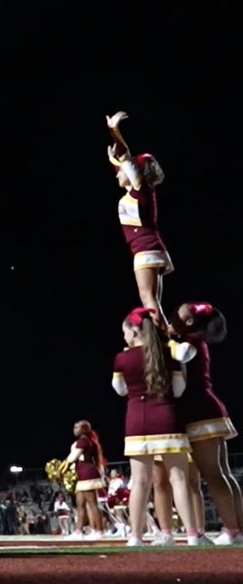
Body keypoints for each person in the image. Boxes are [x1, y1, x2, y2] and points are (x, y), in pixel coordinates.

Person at [113, 307, 198, 546]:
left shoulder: (121, 358)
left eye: (125, 332)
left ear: (134, 330)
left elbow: (120, 391)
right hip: (167, 418)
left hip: (136, 421)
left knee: (140, 482)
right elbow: (179, 391)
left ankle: (135, 537)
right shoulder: (167, 354)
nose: (123, 337)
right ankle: (192, 535)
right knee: (178, 479)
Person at [170, 302, 242, 545]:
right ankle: (236, 528)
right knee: (222, 474)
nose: (174, 314)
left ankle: (232, 530)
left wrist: (165, 337)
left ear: (189, 321)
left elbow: (180, 354)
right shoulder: (192, 337)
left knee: (214, 475)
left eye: (180, 312)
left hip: (200, 412)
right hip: (207, 410)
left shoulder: (191, 340)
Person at [106, 111, 172, 327]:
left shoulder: (141, 188)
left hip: (145, 249)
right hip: (149, 248)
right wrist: (114, 154)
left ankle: (169, 344)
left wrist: (114, 130)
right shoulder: (136, 192)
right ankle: (168, 340)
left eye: (123, 170)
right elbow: (120, 163)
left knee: (148, 300)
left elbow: (125, 159)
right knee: (154, 302)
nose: (117, 173)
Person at [64, 420, 106, 539]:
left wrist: (61, 468)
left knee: (93, 504)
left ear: (83, 430)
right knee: (80, 504)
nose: (74, 429)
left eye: (77, 427)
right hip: (82, 474)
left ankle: (99, 531)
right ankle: (78, 531)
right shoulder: (85, 441)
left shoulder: (83, 441)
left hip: (87, 474)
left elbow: (73, 457)